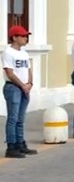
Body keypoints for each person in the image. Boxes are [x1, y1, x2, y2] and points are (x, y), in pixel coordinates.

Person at [3, 25, 36, 158]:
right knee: (13, 118)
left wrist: (30, 83)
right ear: (14, 37)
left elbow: (28, 69)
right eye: (22, 36)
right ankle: (11, 146)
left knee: (20, 119)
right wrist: (23, 85)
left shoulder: (24, 53)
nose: (25, 38)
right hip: (13, 87)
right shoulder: (8, 52)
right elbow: (10, 73)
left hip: (24, 87)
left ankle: (20, 143)